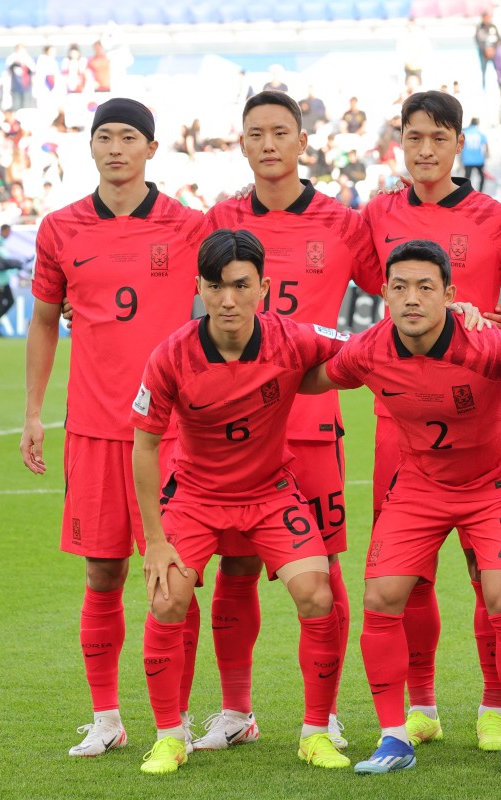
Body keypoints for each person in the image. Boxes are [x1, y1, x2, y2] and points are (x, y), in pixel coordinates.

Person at [301, 239, 501, 777]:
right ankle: (395, 736)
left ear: (449, 294)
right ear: (384, 296)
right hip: (419, 485)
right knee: (381, 596)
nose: (411, 298)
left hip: (492, 484)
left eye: (424, 287)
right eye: (399, 288)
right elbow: (309, 376)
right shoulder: (369, 350)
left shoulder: (488, 343)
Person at [20, 97, 211, 757]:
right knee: (102, 574)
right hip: (95, 431)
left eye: (129, 137)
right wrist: (32, 413)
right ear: (91, 147)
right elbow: (45, 320)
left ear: (152, 149)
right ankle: (106, 718)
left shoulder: (191, 226)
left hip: (174, 435)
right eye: (104, 137)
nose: (115, 148)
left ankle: (177, 719)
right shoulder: (60, 227)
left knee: (172, 579)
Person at [354, 88, 501, 752]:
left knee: (491, 573)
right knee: (407, 577)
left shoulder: (497, 216)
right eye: (413, 137)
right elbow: (360, 292)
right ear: (399, 142)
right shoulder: (375, 215)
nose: (425, 150)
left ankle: (497, 706)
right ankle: (421, 705)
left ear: (460, 143)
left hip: (476, 414)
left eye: (438, 138)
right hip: (397, 420)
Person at [195, 90, 376, 752]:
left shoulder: (344, 224)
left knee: (323, 572)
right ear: (240, 144)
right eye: (256, 133)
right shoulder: (219, 219)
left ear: (304, 142)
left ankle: (322, 715)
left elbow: (406, 292)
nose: (268, 143)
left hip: (312, 423)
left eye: (281, 132)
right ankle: (237, 711)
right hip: (234, 429)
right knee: (234, 570)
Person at [129, 229, 348, 774]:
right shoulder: (171, 355)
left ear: (264, 288)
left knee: (318, 594)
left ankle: (316, 733)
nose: (228, 298)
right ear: (199, 288)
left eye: (240, 285)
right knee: (167, 599)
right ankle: (169, 736)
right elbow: (145, 445)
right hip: (197, 497)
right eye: (216, 286)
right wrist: (155, 541)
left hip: (270, 493)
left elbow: (367, 347)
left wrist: (458, 315)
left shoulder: (291, 338)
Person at [461, 118, 488, 192]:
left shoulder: (465, 132)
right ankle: (480, 191)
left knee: (467, 177)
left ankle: (465, 192)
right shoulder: (480, 133)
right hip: (478, 159)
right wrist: (486, 156)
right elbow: (485, 145)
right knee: (481, 176)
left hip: (468, 159)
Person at [475, 12, 500, 90]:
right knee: (483, 71)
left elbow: (498, 38)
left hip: (492, 53)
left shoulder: (493, 26)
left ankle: (499, 86)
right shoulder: (479, 27)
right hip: (483, 53)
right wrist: (485, 50)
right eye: (485, 18)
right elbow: (477, 40)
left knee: (497, 69)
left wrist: (493, 49)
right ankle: (484, 87)